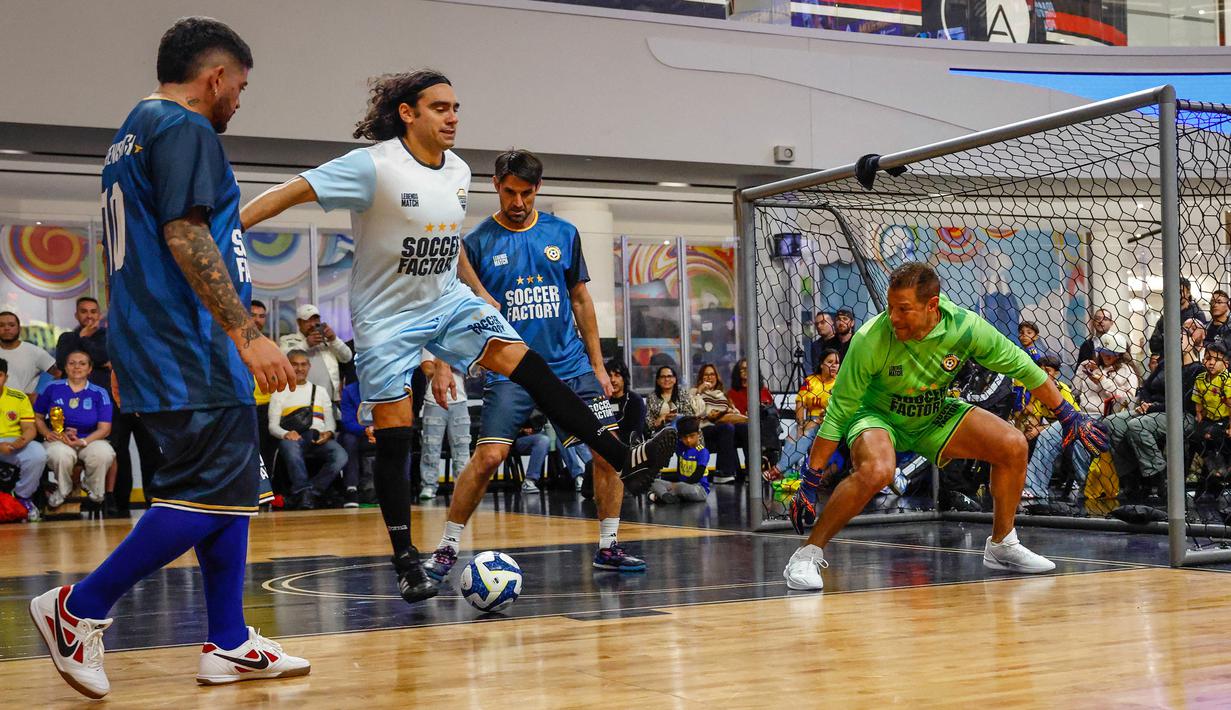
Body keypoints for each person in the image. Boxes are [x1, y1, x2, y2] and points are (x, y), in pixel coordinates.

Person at [240, 76, 674, 601]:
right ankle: (407, 561)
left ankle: (623, 457)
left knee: (528, 363)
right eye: (440, 108)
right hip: (386, 319)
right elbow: (290, 192)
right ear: (408, 113)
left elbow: (449, 245)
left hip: (447, 301)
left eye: (455, 108)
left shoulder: (459, 171)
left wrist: (479, 294)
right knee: (395, 437)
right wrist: (231, 227)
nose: (452, 117)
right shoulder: (372, 166)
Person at [29, 19, 309, 700]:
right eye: (240, 87)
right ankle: (80, 607)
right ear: (216, 77)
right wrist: (246, 333)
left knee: (229, 493)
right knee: (207, 494)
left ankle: (229, 641)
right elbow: (184, 233)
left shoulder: (131, 131)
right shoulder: (186, 128)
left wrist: (124, 350)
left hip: (158, 340)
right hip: (190, 344)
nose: (238, 100)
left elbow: (124, 252)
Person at [783, 262, 1109, 591]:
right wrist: (809, 483)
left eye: (903, 309)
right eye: (890, 307)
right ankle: (807, 553)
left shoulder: (965, 327)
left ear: (932, 306)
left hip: (933, 413)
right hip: (877, 416)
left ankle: (1002, 544)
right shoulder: (870, 338)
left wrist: (1068, 414)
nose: (893, 317)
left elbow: (1024, 367)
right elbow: (837, 415)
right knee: (878, 470)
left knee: (1013, 445)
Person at [420, 149, 667, 577]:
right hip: (512, 370)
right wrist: (443, 364)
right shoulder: (477, 242)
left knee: (606, 452)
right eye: (509, 193)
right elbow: (453, 308)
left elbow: (580, 300)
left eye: (526, 194)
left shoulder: (563, 233)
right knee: (490, 457)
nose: (517, 203)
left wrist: (597, 365)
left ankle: (609, 545)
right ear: (496, 186)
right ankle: (446, 547)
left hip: (570, 367)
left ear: (538, 189)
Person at [33, 351, 116, 509]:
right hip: (59, 439)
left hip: (89, 439)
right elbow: (37, 417)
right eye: (72, 363)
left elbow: (105, 429)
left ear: (90, 369)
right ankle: (64, 489)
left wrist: (83, 441)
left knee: (104, 453)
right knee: (60, 454)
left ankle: (92, 487)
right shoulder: (51, 388)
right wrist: (47, 433)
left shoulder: (100, 393)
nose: (77, 367)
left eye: (82, 363)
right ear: (65, 367)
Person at [268, 350, 348, 509]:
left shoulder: (320, 391)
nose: (300, 369)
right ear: (287, 366)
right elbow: (273, 426)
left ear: (309, 366)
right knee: (290, 447)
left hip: (318, 439)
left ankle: (308, 493)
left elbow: (329, 422)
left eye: (303, 364)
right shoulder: (280, 392)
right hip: (294, 439)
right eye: (295, 364)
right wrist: (286, 433)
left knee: (341, 455)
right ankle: (303, 491)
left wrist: (329, 433)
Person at [1016, 355, 1090, 499]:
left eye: (1047, 371)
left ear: (1056, 373)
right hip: (1051, 425)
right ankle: (1026, 480)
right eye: (1040, 370)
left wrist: (1039, 429)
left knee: (1046, 435)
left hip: (1072, 424)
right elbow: (1035, 417)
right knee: (1025, 438)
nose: (1043, 373)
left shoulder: (1063, 390)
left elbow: (1072, 417)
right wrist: (1031, 428)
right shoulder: (1037, 389)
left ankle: (1036, 487)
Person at [0, 357, 47, 520]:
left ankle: (22, 497)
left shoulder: (18, 397)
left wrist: (20, 442)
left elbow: (29, 428)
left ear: (6, 377)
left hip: (12, 442)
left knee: (37, 453)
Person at [418, 355, 470, 500]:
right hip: (433, 400)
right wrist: (451, 363)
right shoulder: (430, 345)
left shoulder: (458, 345)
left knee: (462, 448)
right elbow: (427, 369)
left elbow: (468, 366)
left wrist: (440, 364)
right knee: (430, 446)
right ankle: (429, 485)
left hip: (459, 400)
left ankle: (462, 487)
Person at [277, 304, 352, 405]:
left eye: (316, 320)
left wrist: (334, 339)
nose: (313, 324)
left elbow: (347, 357)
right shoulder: (288, 340)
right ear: (299, 322)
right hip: (299, 400)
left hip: (329, 400)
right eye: (308, 321)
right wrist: (306, 344)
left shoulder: (328, 341)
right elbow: (282, 359)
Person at [692, 362, 747, 484]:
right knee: (726, 428)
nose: (709, 377)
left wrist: (733, 411)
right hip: (705, 428)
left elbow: (735, 413)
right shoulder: (694, 392)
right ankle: (724, 472)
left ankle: (751, 471)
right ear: (701, 378)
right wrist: (699, 392)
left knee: (744, 427)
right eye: (706, 375)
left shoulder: (722, 395)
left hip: (726, 427)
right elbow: (697, 412)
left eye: (712, 374)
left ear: (717, 377)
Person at [1073, 332, 1139, 416]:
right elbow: (1075, 392)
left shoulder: (1127, 371)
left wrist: (1102, 380)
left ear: (1119, 354)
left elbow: (1128, 401)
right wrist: (1080, 370)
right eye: (1103, 352)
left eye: (1110, 353)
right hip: (1082, 413)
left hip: (1106, 417)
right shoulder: (1094, 367)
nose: (1105, 355)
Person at [1192, 341, 1231, 479]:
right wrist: (1198, 415)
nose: (1211, 363)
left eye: (1217, 360)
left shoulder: (1227, 380)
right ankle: (1213, 468)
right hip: (1208, 418)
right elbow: (1198, 400)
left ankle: (1223, 467)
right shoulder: (1200, 379)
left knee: (1211, 435)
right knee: (1195, 436)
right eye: (1208, 358)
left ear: (1226, 364)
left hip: (1225, 419)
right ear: (1203, 360)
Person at [649, 416, 710, 504]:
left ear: (698, 434)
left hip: (698, 489)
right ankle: (667, 497)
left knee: (680, 487)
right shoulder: (680, 447)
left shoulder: (702, 451)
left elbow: (697, 476)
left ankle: (657, 496)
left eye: (692, 436)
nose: (688, 440)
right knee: (652, 481)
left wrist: (676, 485)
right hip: (680, 486)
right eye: (684, 437)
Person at [55, 297, 111, 389]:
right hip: (69, 391)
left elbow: (102, 358)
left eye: (93, 312)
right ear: (76, 315)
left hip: (99, 390)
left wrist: (83, 338)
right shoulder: (66, 337)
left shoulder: (108, 335)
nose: (89, 316)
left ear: (99, 315)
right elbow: (62, 363)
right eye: (84, 312)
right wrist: (81, 337)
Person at [0, 311, 59, 397]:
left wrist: (40, 393)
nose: (6, 328)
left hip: (24, 403)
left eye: (11, 325)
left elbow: (57, 373)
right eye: (1, 325)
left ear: (19, 329)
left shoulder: (34, 351)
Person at [1149, 276, 1206, 356]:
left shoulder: (1197, 314)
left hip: (1188, 360)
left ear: (1188, 293)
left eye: (1180, 291)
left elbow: (1198, 342)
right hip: (1167, 359)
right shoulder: (1167, 316)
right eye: (1173, 291)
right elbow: (1154, 343)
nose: (1176, 294)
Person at [606, 359, 646, 445]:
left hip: (630, 446)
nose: (612, 380)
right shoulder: (603, 400)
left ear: (624, 378)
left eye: (617, 375)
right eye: (609, 376)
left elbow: (637, 431)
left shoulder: (635, 400)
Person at [647, 365, 697, 433]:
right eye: (663, 377)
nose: (666, 379)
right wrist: (661, 419)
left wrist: (675, 416)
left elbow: (690, 416)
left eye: (669, 376)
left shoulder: (683, 394)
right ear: (658, 381)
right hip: (660, 433)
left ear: (675, 379)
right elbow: (648, 420)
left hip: (684, 432)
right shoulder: (652, 397)